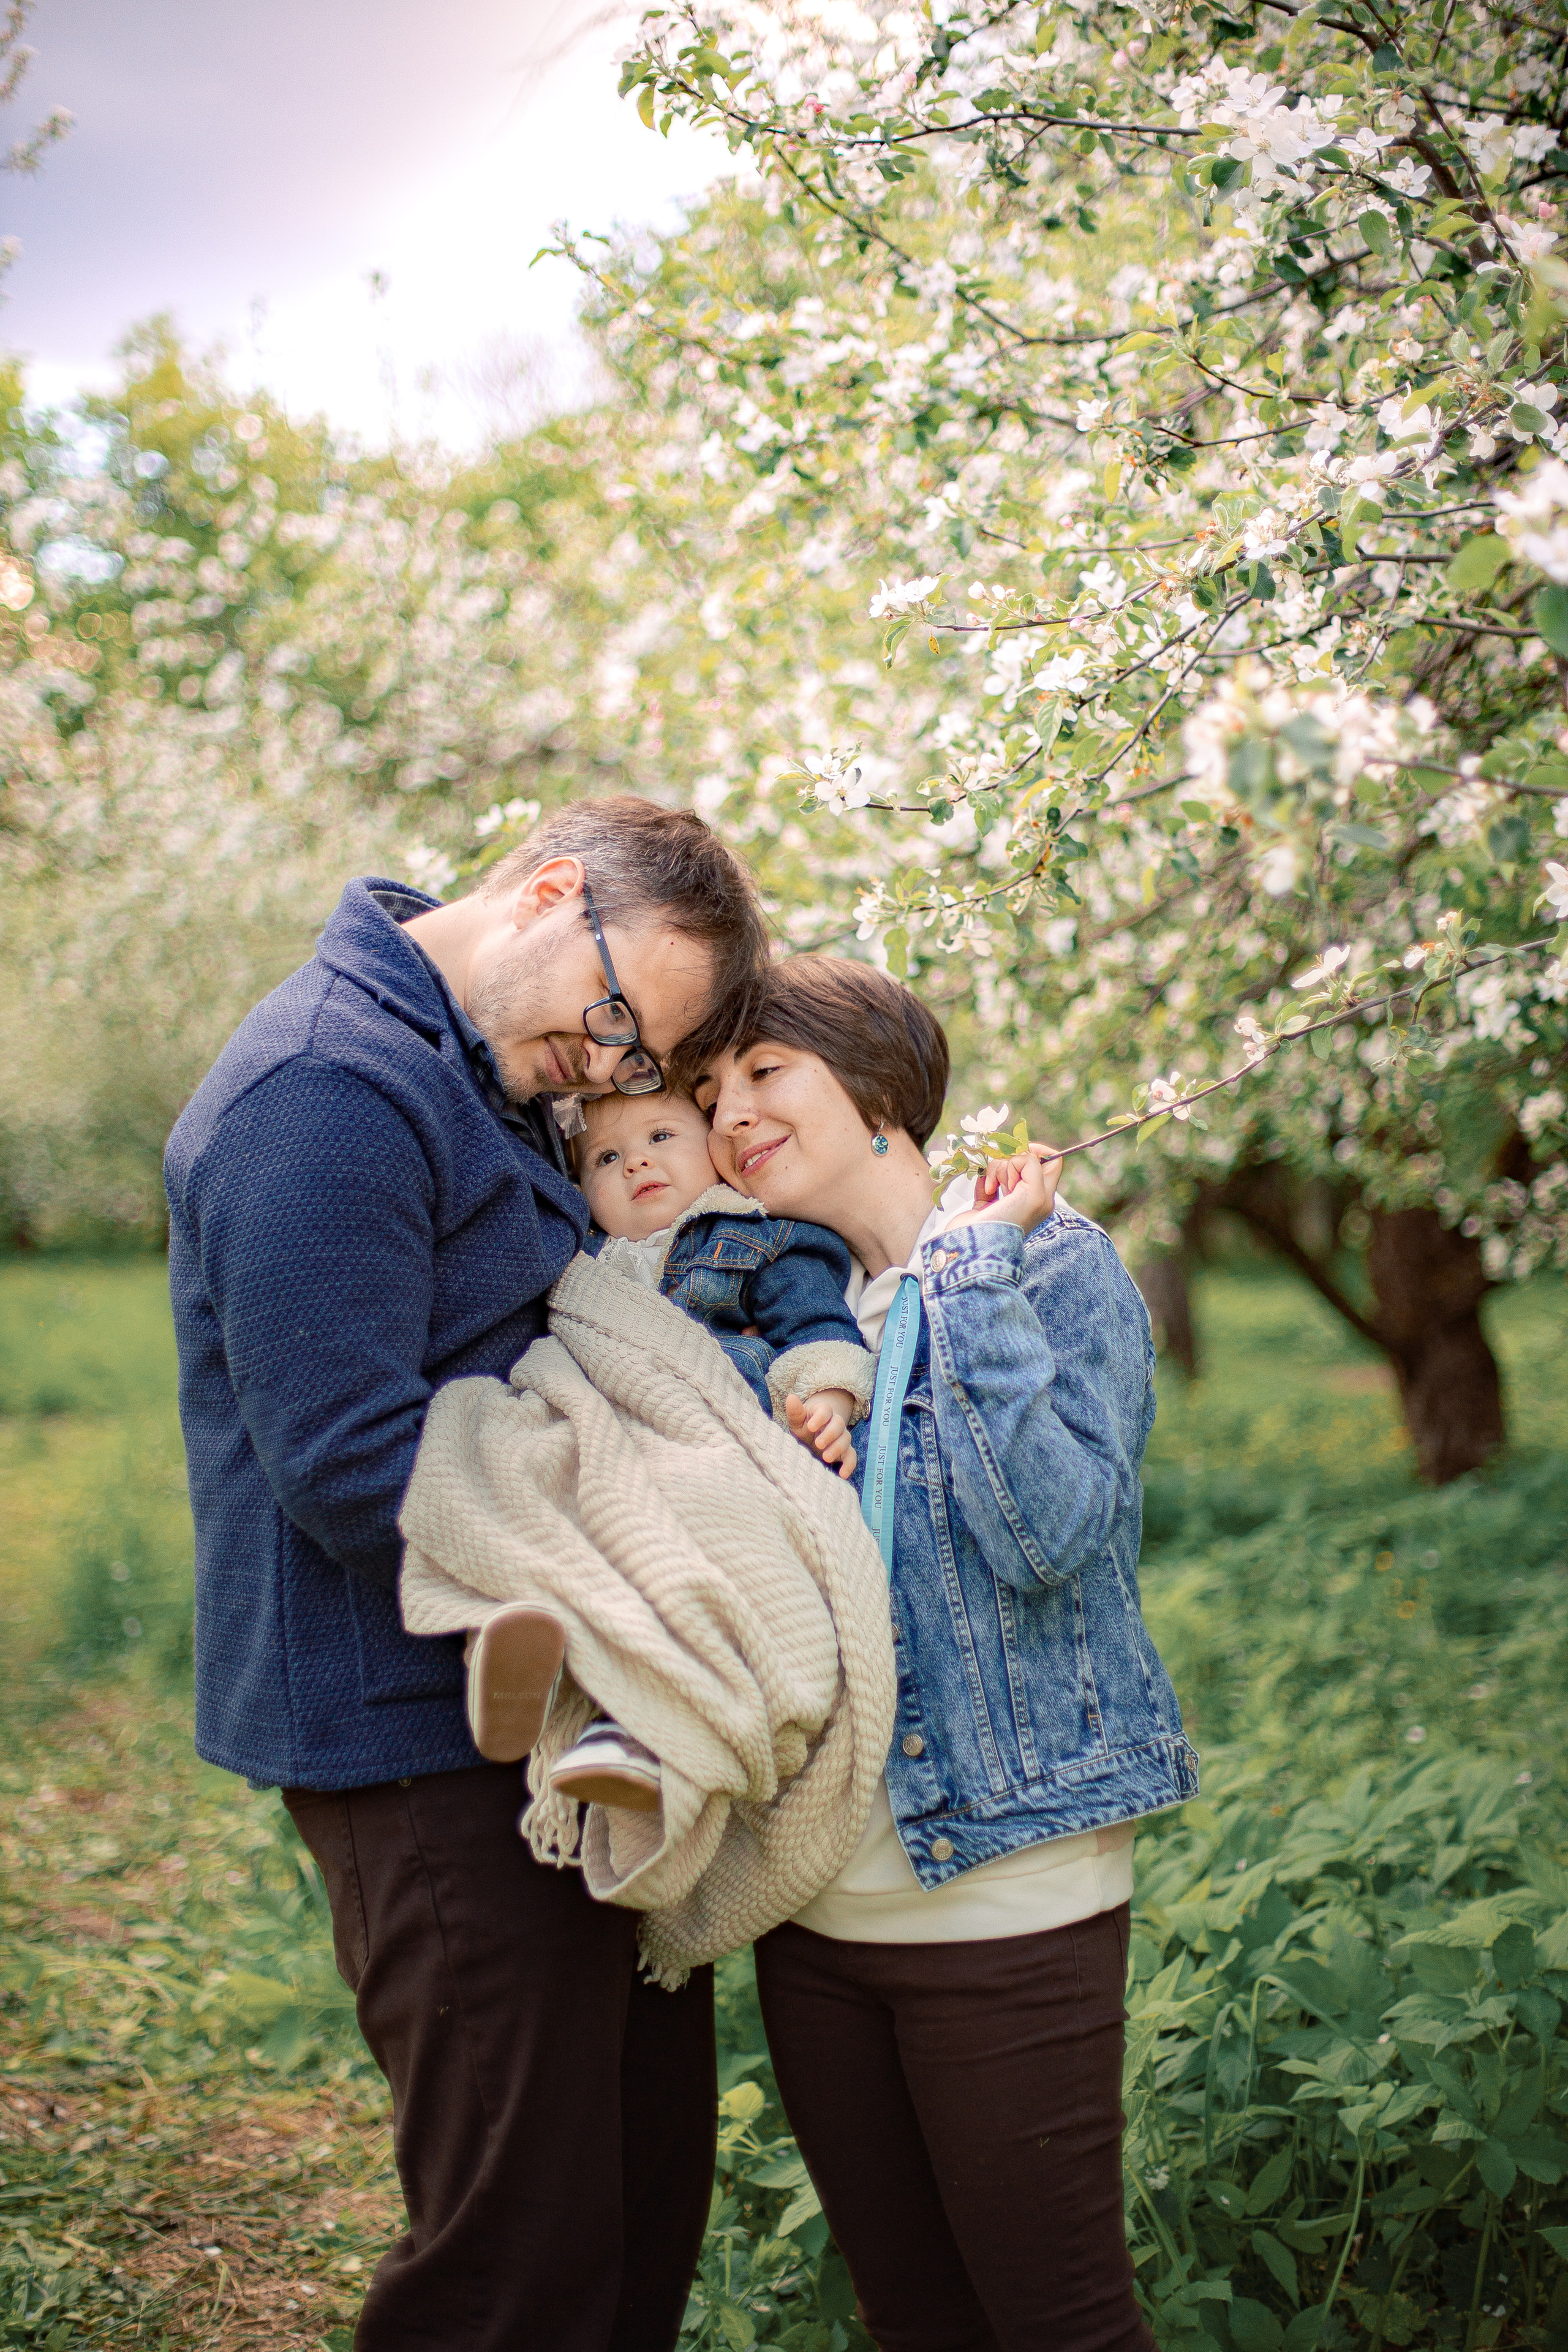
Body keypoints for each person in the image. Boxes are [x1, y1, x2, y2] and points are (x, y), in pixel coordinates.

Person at [162, 797, 769, 2352]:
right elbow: (352, 1461)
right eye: (616, 1021)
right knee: (517, 2252)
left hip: (581, 1717)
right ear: (551, 891)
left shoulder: (473, 1062)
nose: (609, 1070)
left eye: (639, 1062)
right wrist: (648, 1573)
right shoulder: (327, 1089)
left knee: (637, 2191)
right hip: (425, 1732)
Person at [693, 956, 1200, 2352]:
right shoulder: (768, 1321)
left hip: (999, 1898)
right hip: (813, 1912)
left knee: (1059, 2323)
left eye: (764, 1072)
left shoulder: (1043, 1263)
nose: (729, 1114)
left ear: (875, 1085)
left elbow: (1049, 1536)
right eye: (710, 1090)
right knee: (913, 2317)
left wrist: (965, 1272)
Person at [466, 1081, 875, 1810]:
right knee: (509, 1452)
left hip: (702, 1447)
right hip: (606, 1439)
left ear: (715, 1150)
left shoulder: (754, 1235)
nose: (634, 1164)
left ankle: (635, 1733)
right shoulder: (580, 1263)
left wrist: (827, 1401)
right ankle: (524, 1646)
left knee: (676, 1570)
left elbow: (818, 1329)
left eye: (660, 1137)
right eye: (605, 1158)